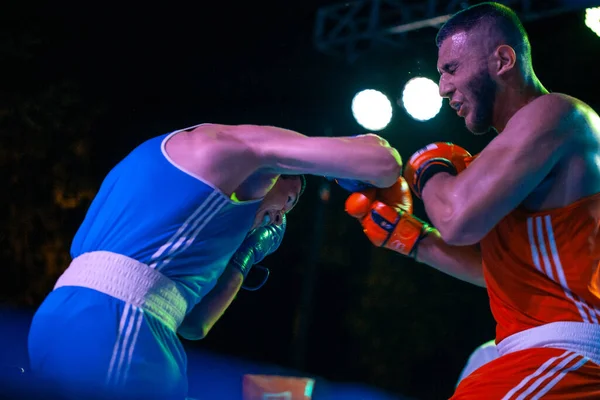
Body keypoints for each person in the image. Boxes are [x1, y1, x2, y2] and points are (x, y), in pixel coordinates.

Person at [27, 122, 403, 399]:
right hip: (115, 324)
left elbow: (193, 324)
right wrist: (361, 148)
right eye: (287, 202)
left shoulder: (168, 175)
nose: (279, 219)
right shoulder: (232, 149)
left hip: (80, 319)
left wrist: (243, 258)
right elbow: (382, 163)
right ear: (276, 171)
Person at [343, 2, 600, 398]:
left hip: (570, 344)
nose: (443, 87)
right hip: (533, 346)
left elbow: (457, 219)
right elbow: (498, 271)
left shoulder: (556, 113)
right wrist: (412, 240)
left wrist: (425, 164)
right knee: (477, 365)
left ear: (502, 59)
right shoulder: (511, 159)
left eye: (451, 69)